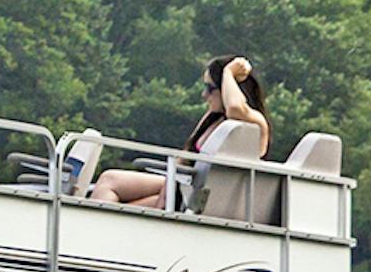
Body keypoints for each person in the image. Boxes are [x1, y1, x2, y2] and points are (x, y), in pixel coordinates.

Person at [87, 55, 272, 207]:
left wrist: (228, 72)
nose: (204, 95)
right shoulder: (212, 118)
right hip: (185, 186)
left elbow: (235, 108)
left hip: (204, 199)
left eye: (210, 88)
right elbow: (185, 156)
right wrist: (167, 189)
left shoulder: (255, 123)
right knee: (109, 180)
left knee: (125, 209)